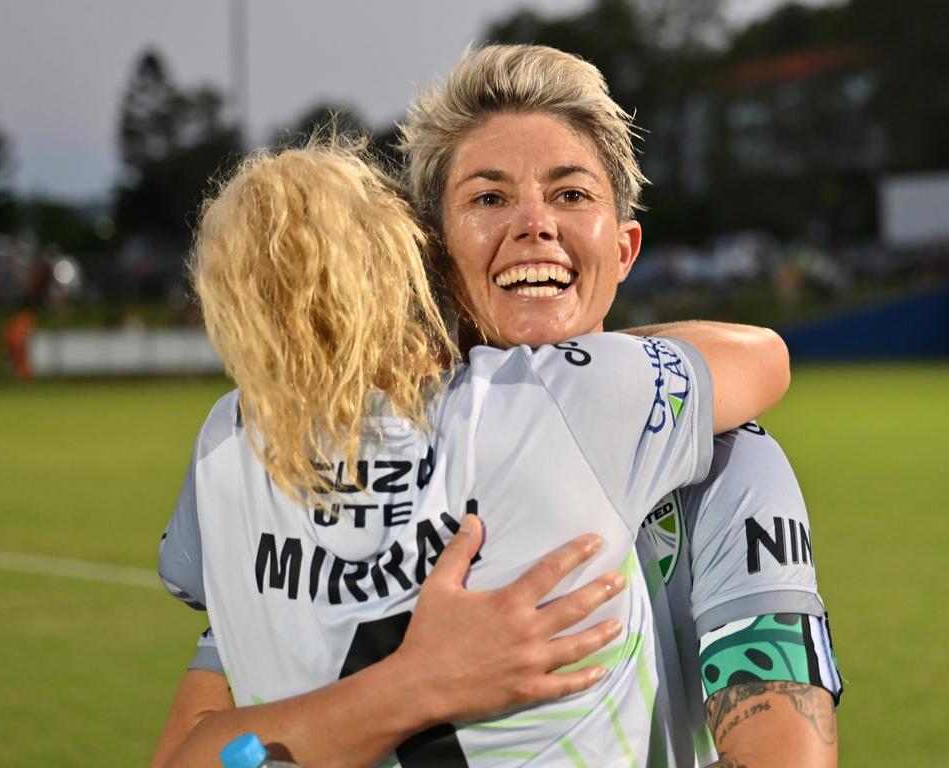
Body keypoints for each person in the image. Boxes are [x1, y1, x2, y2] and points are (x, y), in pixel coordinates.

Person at [162, 44, 842, 767]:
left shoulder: (731, 463)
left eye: (571, 194)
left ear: (624, 249)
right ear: (434, 251)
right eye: (488, 198)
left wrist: (559, 373)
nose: (534, 223)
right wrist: (414, 684)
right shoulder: (324, 465)